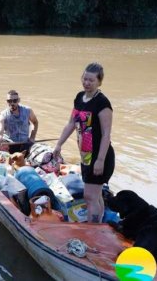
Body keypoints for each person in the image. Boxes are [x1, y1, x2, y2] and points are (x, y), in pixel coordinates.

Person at [52, 62, 115, 223]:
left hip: (100, 155)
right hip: (86, 156)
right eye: (85, 79)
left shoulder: (102, 103)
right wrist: (59, 144)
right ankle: (98, 224)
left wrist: (100, 160)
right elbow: (71, 123)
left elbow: (106, 134)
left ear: (99, 82)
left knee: (89, 196)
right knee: (96, 195)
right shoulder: (80, 97)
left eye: (91, 80)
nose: (87, 83)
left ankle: (92, 229)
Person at [0, 90, 39, 154]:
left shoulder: (28, 111)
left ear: (18, 100)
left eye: (15, 101)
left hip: (25, 143)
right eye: (9, 101)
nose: (12, 103)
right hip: (9, 144)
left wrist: (32, 137)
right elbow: (0, 133)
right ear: (6, 101)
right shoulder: (3, 115)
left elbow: (35, 122)